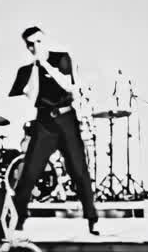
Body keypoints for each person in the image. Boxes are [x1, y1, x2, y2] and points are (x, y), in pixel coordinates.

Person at [7, 27, 99, 236]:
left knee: (79, 170)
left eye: (39, 41)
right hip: (44, 123)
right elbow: (25, 97)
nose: (36, 46)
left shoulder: (61, 59)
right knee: (30, 170)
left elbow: (68, 86)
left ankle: (91, 219)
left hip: (66, 120)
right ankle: (18, 219)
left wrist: (45, 64)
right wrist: (34, 69)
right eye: (31, 43)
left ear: (45, 40)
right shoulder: (27, 71)